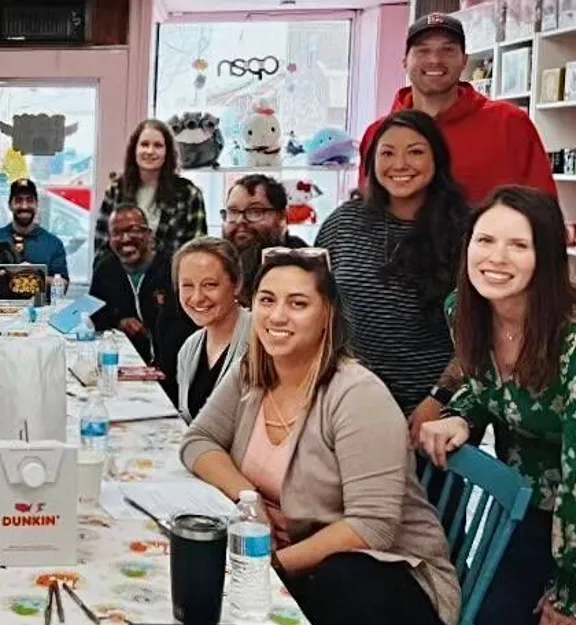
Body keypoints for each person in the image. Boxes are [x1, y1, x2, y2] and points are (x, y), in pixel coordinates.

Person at [180, 248, 459, 625]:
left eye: (298, 303)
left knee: (337, 581)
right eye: (268, 300)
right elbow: (198, 441)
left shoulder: (356, 394)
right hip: (290, 558)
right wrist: (248, 496)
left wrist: (268, 566)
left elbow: (373, 527)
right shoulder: (253, 370)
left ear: (327, 315)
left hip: (388, 584)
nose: (277, 316)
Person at [420, 187, 576, 625]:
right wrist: (462, 415)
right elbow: (485, 385)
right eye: (485, 240)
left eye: (518, 245)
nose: (496, 258)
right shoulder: (464, 310)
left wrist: (572, 590)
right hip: (529, 505)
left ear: (547, 257)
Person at [316, 110, 469, 435]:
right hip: (351, 402)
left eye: (415, 152)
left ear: (437, 161)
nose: (399, 164)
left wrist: (438, 399)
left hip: (431, 412)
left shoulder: (465, 231)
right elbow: (318, 306)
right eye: (387, 153)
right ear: (371, 162)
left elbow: (482, 333)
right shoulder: (344, 223)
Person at [358, 13, 555, 204]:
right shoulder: (378, 135)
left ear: (464, 61)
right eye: (422, 50)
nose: (435, 59)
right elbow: (367, 210)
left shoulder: (510, 123)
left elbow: (544, 210)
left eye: (448, 50)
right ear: (404, 62)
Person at [93, 119, 207, 265]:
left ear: (168, 152)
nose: (150, 151)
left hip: (170, 281)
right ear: (134, 149)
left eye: (158, 145)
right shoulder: (115, 191)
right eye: (144, 144)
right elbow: (102, 245)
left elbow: (196, 253)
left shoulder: (189, 195)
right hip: (120, 280)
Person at [171, 237, 251, 422]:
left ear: (236, 284)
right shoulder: (189, 348)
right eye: (188, 286)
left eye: (210, 285)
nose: (197, 298)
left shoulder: (262, 342)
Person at [89, 204, 175, 366]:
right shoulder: (105, 268)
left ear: (149, 234)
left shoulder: (172, 268)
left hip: (171, 368)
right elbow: (95, 314)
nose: (125, 238)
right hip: (124, 364)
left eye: (133, 230)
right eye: (116, 233)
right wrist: (119, 323)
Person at [221, 174, 307, 305]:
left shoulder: (304, 263)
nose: (240, 220)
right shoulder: (218, 262)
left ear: (282, 216)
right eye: (233, 211)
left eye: (255, 211)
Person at [0, 178, 69, 281]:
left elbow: (63, 284)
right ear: (10, 205)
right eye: (18, 200)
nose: (24, 206)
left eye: (30, 200)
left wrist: (34, 275)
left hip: (40, 299)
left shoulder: (53, 244)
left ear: (37, 205)